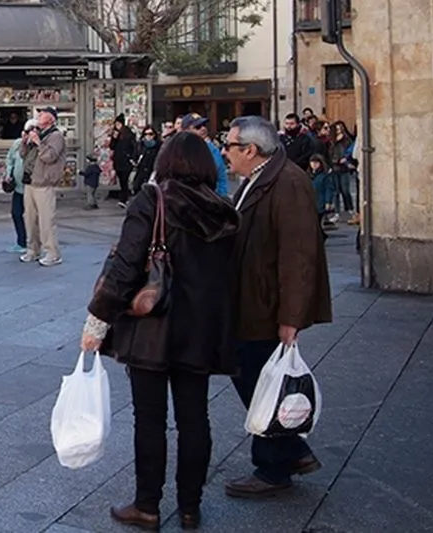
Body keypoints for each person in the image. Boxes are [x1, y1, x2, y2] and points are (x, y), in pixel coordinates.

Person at [81, 132, 241, 531]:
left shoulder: (152, 200)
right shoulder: (223, 208)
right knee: (194, 419)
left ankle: (147, 505)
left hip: (153, 327)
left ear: (166, 161)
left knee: (149, 420)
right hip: (201, 329)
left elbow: (125, 267)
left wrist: (96, 321)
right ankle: (190, 506)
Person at [221, 115, 332, 498]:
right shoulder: (260, 178)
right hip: (252, 299)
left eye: (230, 145)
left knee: (260, 381)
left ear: (251, 150)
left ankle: (272, 468)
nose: (224, 152)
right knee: (253, 376)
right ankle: (292, 450)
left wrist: (291, 318)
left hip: (267, 306)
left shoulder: (288, 182)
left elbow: (298, 255)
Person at [20, 106, 66, 267]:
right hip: (30, 181)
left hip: (44, 183)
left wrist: (38, 142)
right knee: (30, 219)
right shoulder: (37, 133)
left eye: (43, 113)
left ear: (51, 119)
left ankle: (52, 253)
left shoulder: (56, 136)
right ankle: (33, 250)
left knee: (46, 220)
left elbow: (49, 156)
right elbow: (22, 154)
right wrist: (25, 141)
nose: (39, 115)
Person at [183, 114, 229, 197]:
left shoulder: (213, 149)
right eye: (198, 127)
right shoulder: (179, 150)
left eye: (204, 125)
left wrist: (222, 197)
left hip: (213, 199)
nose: (203, 128)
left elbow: (221, 176)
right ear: (186, 130)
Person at [4, 120, 32, 251]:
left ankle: (34, 242)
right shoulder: (17, 144)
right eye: (25, 131)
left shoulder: (37, 146)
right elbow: (10, 159)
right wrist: (8, 174)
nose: (26, 135)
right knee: (16, 213)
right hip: (18, 187)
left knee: (33, 216)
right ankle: (21, 241)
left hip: (32, 187)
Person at [109, 113, 137, 208]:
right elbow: (112, 146)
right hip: (118, 160)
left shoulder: (129, 134)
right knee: (121, 180)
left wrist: (131, 158)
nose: (117, 127)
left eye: (118, 124)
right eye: (116, 125)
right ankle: (124, 197)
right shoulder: (116, 134)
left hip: (126, 160)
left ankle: (124, 199)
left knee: (125, 179)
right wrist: (114, 138)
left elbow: (134, 147)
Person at [132, 126, 161, 194]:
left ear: (154, 135)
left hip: (153, 174)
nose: (148, 136)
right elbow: (135, 156)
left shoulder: (159, 145)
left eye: (150, 134)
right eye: (146, 134)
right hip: (141, 174)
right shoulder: (140, 145)